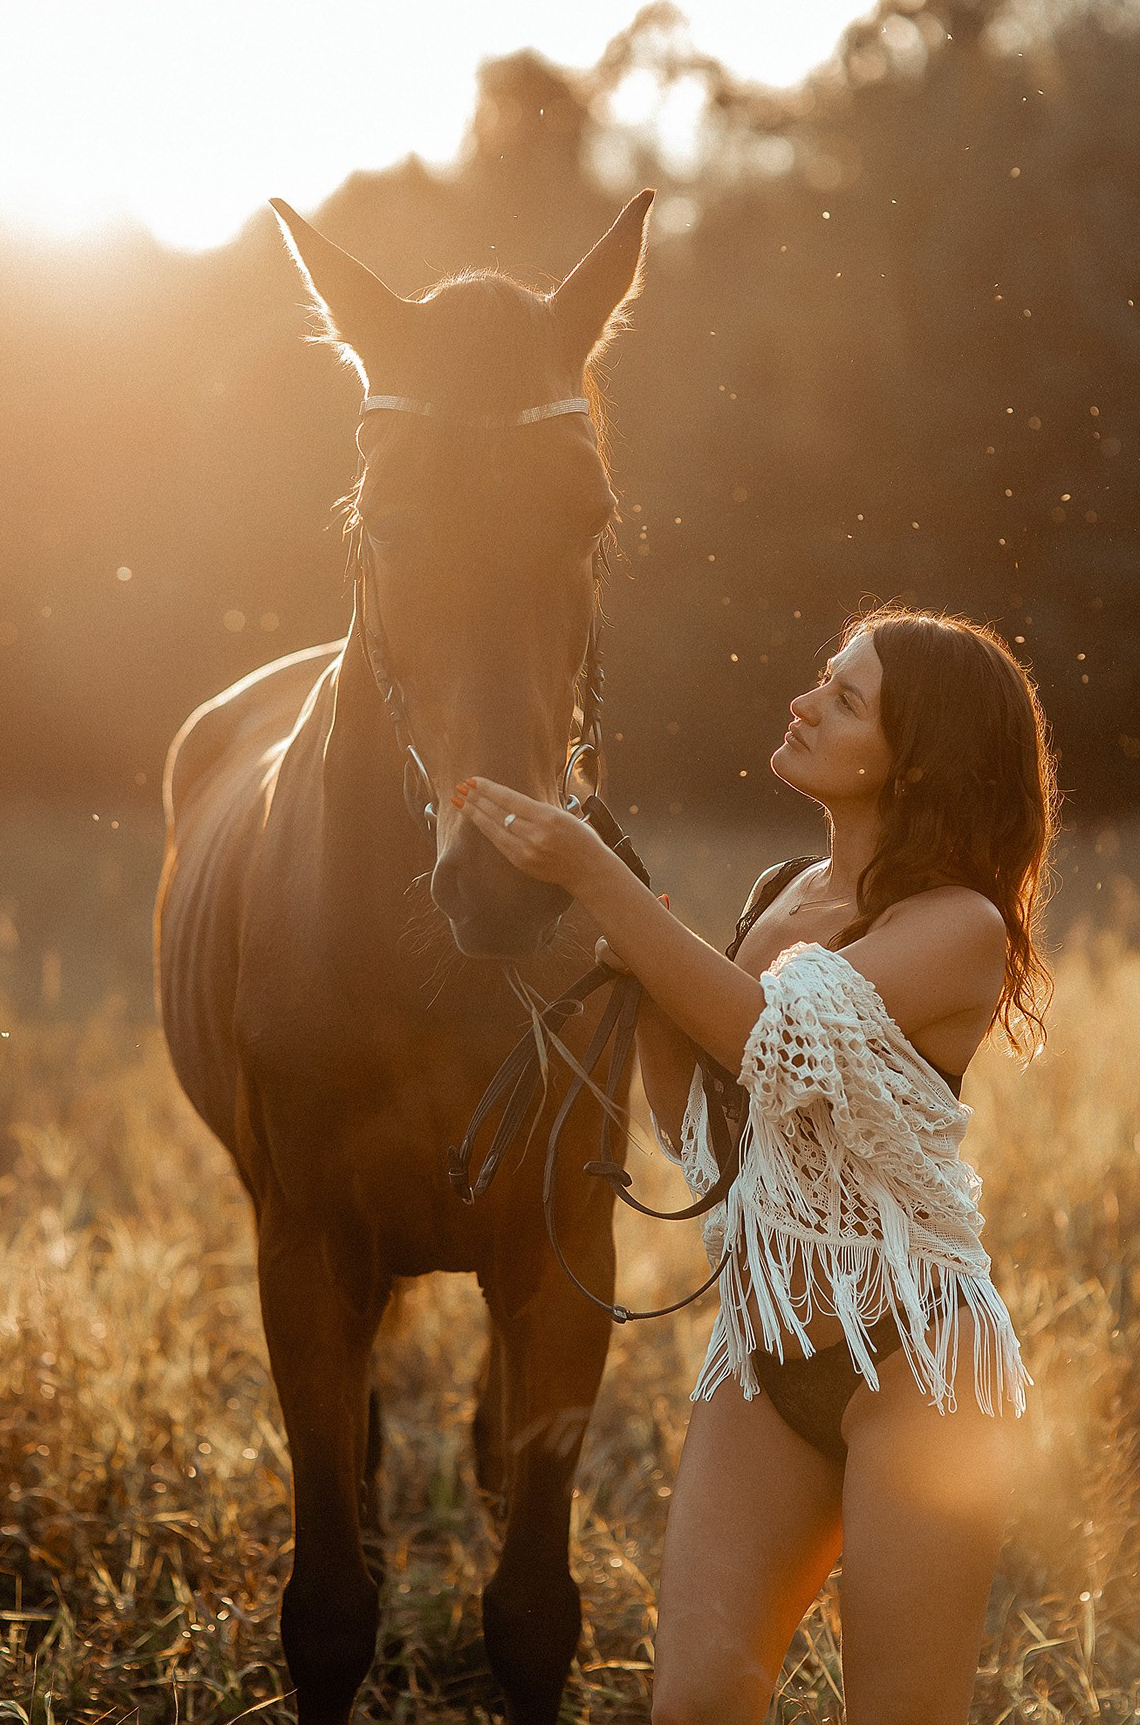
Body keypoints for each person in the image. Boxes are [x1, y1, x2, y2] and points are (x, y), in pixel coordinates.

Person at [453, 605, 1058, 1725]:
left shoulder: (957, 925)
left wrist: (596, 880)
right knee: (693, 1705)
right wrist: (633, 966)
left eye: (843, 697)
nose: (801, 703)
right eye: (817, 680)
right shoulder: (778, 893)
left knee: (900, 1715)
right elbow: (697, 1129)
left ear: (915, 758)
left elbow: (767, 1045)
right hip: (762, 1349)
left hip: (919, 1364)